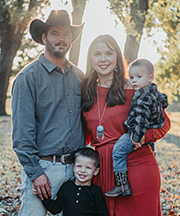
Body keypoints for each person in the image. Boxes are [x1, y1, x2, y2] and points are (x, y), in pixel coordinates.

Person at [81, 35, 171, 216]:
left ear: (117, 58)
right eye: (97, 54)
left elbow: (164, 124)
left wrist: (143, 137)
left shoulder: (135, 89)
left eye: (109, 53)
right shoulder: (85, 91)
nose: (103, 59)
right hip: (100, 171)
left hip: (136, 167)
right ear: (90, 59)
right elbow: (85, 135)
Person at [11, 10, 86, 216]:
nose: (61, 39)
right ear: (44, 37)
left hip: (75, 171)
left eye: (66, 34)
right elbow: (22, 135)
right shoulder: (28, 78)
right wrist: (36, 174)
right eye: (55, 33)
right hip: (43, 169)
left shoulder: (80, 77)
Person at [105, 58, 168, 197]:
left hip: (137, 134)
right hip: (148, 139)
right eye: (132, 77)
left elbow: (141, 118)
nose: (134, 80)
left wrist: (136, 137)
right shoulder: (154, 92)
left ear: (150, 77)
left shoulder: (142, 96)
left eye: (139, 77)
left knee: (118, 151)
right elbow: (163, 99)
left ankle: (122, 185)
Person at [35, 147, 109, 216]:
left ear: (96, 171)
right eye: (79, 166)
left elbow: (102, 213)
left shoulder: (96, 191)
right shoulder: (66, 187)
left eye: (88, 168)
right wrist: (43, 196)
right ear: (73, 167)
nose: (82, 171)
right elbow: (55, 209)